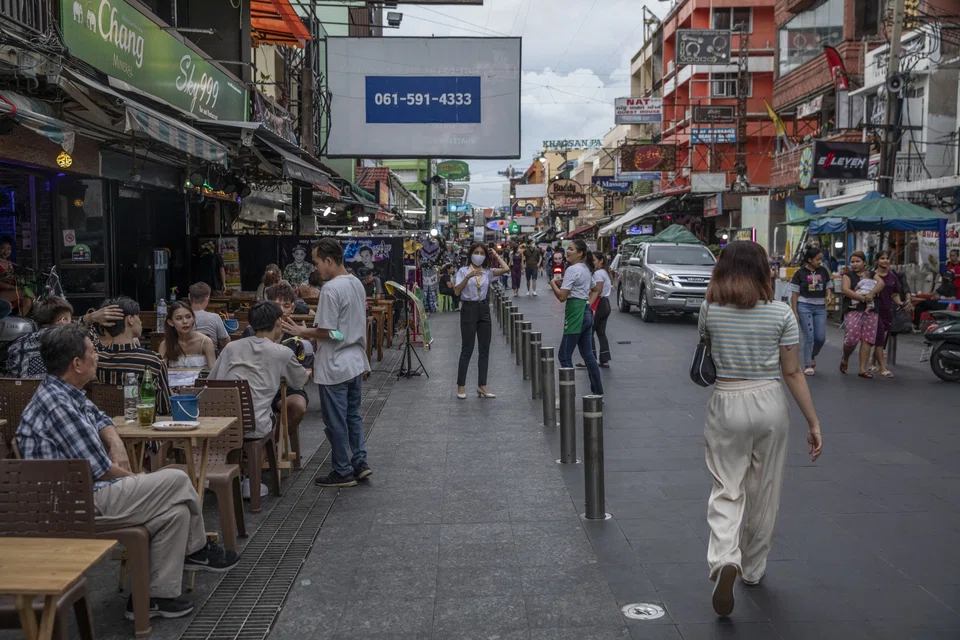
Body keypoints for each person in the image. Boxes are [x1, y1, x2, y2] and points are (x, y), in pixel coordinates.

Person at [17, 324, 238, 619]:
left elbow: (99, 416)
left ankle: (155, 596)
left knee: (176, 513)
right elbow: (99, 469)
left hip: (85, 494)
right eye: (93, 352)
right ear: (76, 364)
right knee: (176, 478)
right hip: (75, 504)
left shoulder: (63, 390)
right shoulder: (58, 405)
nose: (98, 357)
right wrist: (139, 479)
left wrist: (114, 438)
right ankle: (196, 549)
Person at [697, 241, 821, 617]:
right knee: (764, 489)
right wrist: (813, 422)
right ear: (764, 270)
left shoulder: (710, 309)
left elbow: (706, 349)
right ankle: (752, 568)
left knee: (726, 486)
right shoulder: (781, 313)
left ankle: (723, 559)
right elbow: (793, 372)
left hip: (727, 399)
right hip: (770, 400)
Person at [282, 238, 372, 488]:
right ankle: (360, 462)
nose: (316, 268)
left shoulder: (331, 289)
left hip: (335, 364)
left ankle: (342, 470)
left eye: (317, 262)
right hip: (355, 360)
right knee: (352, 416)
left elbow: (331, 332)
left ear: (329, 261)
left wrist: (304, 332)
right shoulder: (356, 283)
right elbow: (345, 329)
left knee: (335, 421)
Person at [210, 300, 308, 493]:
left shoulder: (231, 348)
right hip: (256, 424)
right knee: (270, 415)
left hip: (225, 422)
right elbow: (299, 382)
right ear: (278, 322)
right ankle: (253, 470)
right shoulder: (282, 352)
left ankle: (242, 471)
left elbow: (214, 380)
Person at [5, 297, 123, 378]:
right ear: (64, 320)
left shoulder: (18, 343)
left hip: (21, 407)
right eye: (70, 321)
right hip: (55, 404)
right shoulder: (66, 342)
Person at [95, 297, 173, 415]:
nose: (141, 321)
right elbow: (165, 409)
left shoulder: (95, 359)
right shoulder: (153, 361)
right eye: (138, 316)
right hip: (142, 425)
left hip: (104, 425)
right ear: (130, 319)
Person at [453, 243, 510, 399]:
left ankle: (482, 386)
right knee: (467, 349)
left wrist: (496, 255)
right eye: (476, 252)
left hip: (484, 310)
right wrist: (468, 277)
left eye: (482, 253)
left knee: (484, 349)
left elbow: (506, 269)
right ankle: (461, 386)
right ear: (471, 254)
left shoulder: (487, 272)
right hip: (468, 309)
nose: (478, 255)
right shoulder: (462, 271)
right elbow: (457, 291)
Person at [550, 239, 603, 396]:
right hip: (586, 311)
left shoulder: (572, 270)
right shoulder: (586, 269)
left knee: (564, 355)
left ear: (580, 253)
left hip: (575, 313)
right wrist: (587, 303)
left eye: (571, 249)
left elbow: (562, 297)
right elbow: (596, 289)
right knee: (588, 355)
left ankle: (567, 397)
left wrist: (553, 283)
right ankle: (598, 393)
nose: (568, 251)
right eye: (568, 248)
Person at [789, 246, 834, 376]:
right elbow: (795, 294)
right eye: (818, 259)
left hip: (820, 307)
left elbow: (828, 286)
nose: (820, 262)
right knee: (808, 336)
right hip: (804, 306)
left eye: (821, 259)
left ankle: (813, 354)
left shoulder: (823, 271)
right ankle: (808, 364)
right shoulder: (799, 273)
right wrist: (794, 311)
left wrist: (828, 295)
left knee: (820, 337)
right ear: (809, 259)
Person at [840, 251, 884, 378]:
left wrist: (871, 294)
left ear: (864, 262)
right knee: (851, 338)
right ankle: (845, 357)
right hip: (853, 309)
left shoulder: (872, 274)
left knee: (867, 339)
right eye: (852, 262)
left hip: (871, 310)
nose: (854, 264)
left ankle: (862, 368)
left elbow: (881, 283)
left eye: (857, 261)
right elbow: (845, 289)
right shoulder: (848, 275)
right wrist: (861, 298)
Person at [870, 251, 903, 378]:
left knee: (883, 338)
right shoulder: (872, 275)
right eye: (882, 258)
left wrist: (900, 302)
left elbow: (895, 294)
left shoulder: (892, 276)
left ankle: (873, 361)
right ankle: (882, 367)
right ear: (877, 261)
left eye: (887, 258)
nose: (885, 260)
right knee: (880, 337)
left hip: (888, 310)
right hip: (875, 309)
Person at [159, 301, 216, 370]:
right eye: (179, 318)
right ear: (171, 322)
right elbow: (161, 372)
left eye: (188, 317)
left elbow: (213, 372)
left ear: (194, 318)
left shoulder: (205, 342)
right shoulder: (165, 344)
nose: (185, 321)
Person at [578, 251, 612, 368]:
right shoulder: (604, 272)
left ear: (601, 261)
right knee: (601, 333)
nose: (592, 263)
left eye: (594, 260)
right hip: (605, 303)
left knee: (589, 332)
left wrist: (587, 305)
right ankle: (605, 359)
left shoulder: (598, 274)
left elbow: (597, 290)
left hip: (599, 304)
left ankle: (590, 359)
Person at [189, 282, 230, 351]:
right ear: (207, 298)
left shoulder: (180, 318)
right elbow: (226, 341)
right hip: (211, 358)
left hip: (186, 357)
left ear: (189, 297)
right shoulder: (214, 317)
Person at [0, 235, 32, 317]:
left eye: (9, 249)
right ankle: (39, 303)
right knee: (24, 291)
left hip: (10, 292)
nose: (6, 251)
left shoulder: (10, 263)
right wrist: (14, 288)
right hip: (2, 293)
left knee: (27, 301)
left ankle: (16, 322)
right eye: (3, 248)